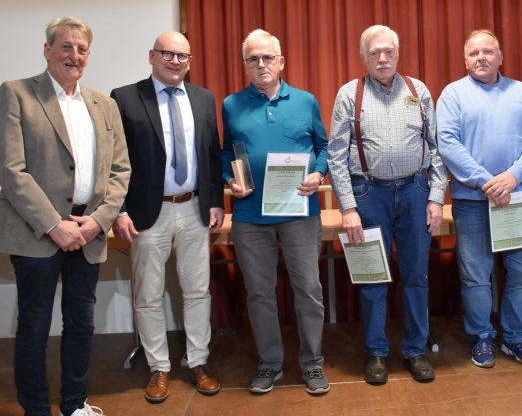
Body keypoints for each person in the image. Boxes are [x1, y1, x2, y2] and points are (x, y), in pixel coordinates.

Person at [0, 17, 130, 416]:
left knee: (80, 324)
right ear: (47, 50)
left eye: (82, 49)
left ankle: (75, 405)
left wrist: (97, 221)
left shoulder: (103, 104)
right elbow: (11, 170)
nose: (75, 55)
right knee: (35, 327)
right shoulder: (17, 94)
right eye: (66, 47)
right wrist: (54, 224)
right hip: (37, 231)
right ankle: (36, 409)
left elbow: (120, 171)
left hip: (88, 231)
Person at [328, 24, 447, 385]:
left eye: (388, 52)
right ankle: (376, 352)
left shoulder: (418, 90)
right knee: (372, 277)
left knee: (416, 275)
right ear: (363, 57)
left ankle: (415, 350)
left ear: (398, 54)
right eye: (375, 53)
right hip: (368, 195)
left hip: (414, 192)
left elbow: (436, 146)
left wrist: (436, 197)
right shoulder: (350, 94)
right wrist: (347, 207)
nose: (382, 58)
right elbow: (335, 155)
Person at [111, 31, 224, 402]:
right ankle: (158, 367)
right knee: (147, 294)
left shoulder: (204, 99)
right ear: (152, 56)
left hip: (193, 209)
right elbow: (115, 160)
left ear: (190, 61)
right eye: (167, 54)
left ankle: (198, 362)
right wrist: (120, 210)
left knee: (196, 292)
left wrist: (215, 201)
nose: (175, 61)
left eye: (182, 56)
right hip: (147, 213)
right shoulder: (125, 98)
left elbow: (211, 155)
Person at [222, 29, 330, 395]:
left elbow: (323, 146)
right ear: (245, 65)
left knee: (309, 290)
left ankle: (313, 364)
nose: (261, 64)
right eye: (253, 58)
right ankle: (270, 364)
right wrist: (229, 179)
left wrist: (318, 172)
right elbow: (226, 153)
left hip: (300, 212)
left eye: (268, 57)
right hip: (250, 217)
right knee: (259, 294)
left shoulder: (305, 101)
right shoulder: (231, 105)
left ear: (281, 62)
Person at [437, 30, 522, 368]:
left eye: (487, 52)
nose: (480, 58)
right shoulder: (452, 94)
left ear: (500, 57)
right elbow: (448, 143)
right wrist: (487, 182)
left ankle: (515, 337)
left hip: (516, 198)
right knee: (475, 273)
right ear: (464, 59)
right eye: (473, 53)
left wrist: (513, 176)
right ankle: (483, 336)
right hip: (472, 201)